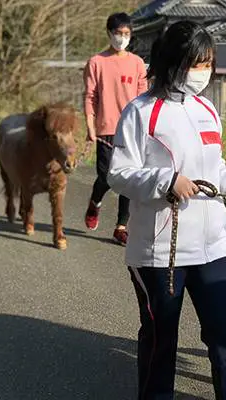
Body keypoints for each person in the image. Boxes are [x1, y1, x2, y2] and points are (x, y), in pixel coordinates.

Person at [107, 20, 226, 400]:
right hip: (160, 251)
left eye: (208, 63)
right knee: (161, 341)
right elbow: (119, 173)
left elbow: (215, 168)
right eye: (196, 63)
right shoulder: (141, 112)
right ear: (172, 62)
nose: (203, 72)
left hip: (214, 245)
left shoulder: (207, 109)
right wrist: (165, 181)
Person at [82, 12, 148, 246]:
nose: (122, 38)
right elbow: (90, 96)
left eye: (126, 34)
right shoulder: (96, 62)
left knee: (128, 179)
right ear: (109, 33)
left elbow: (144, 97)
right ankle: (95, 202)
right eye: (118, 33)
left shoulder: (137, 63)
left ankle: (121, 226)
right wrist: (90, 125)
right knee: (107, 177)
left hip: (132, 128)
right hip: (106, 126)